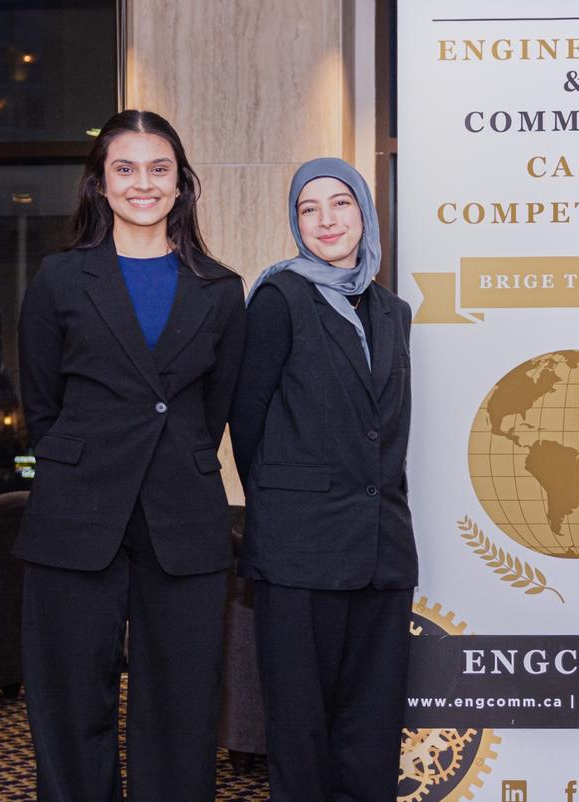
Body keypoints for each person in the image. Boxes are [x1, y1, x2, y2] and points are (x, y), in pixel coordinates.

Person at [16, 109, 247, 801]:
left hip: (184, 515)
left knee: (181, 703)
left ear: (180, 185)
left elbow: (215, 410)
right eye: (125, 169)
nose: (141, 183)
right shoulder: (60, 279)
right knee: (68, 699)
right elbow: (41, 404)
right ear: (100, 184)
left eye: (158, 169)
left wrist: (165, 459)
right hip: (74, 513)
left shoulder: (222, 289)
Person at [230, 158, 415, 801]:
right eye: (310, 208)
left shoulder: (395, 311)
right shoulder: (279, 299)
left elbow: (388, 430)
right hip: (298, 548)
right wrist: (287, 503)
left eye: (341, 203)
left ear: (365, 213)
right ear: (295, 223)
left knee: (372, 728)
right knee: (301, 728)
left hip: (381, 547)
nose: (327, 220)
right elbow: (246, 419)